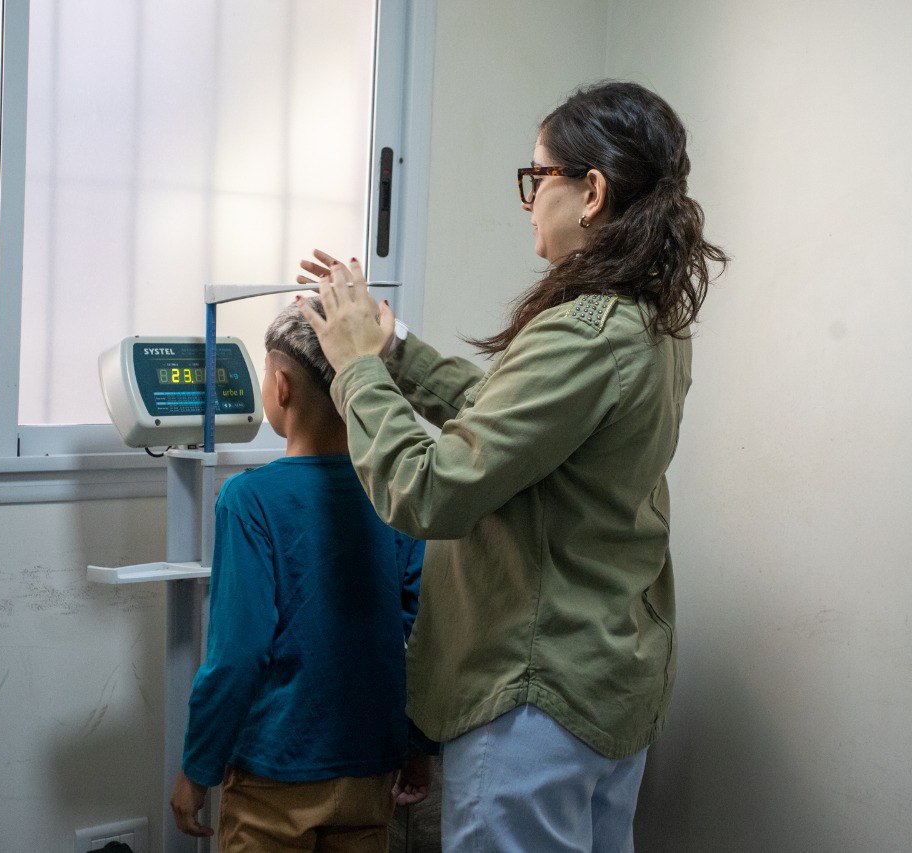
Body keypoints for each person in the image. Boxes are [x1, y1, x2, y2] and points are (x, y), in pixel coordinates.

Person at [297, 80, 727, 851]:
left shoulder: (585, 330)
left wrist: (357, 369)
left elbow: (429, 490)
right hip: (604, 674)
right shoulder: (648, 316)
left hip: (537, 693)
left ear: (590, 191)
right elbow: (518, 426)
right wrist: (393, 350)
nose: (529, 199)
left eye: (539, 178)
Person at [169, 298, 431, 852]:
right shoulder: (396, 491)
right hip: (370, 767)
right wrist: (417, 748)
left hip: (275, 772)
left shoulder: (250, 499)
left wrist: (198, 768)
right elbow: (418, 634)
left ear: (280, 387)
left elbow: (237, 654)